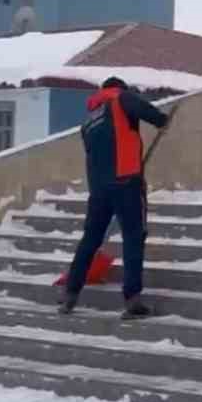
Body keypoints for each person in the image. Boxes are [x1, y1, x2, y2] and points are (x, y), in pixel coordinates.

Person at [58, 77, 171, 319]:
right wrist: (162, 120)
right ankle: (133, 301)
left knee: (90, 240)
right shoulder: (120, 96)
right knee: (133, 237)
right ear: (120, 87)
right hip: (126, 181)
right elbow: (144, 110)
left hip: (99, 189)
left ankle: (70, 295)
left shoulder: (89, 118)